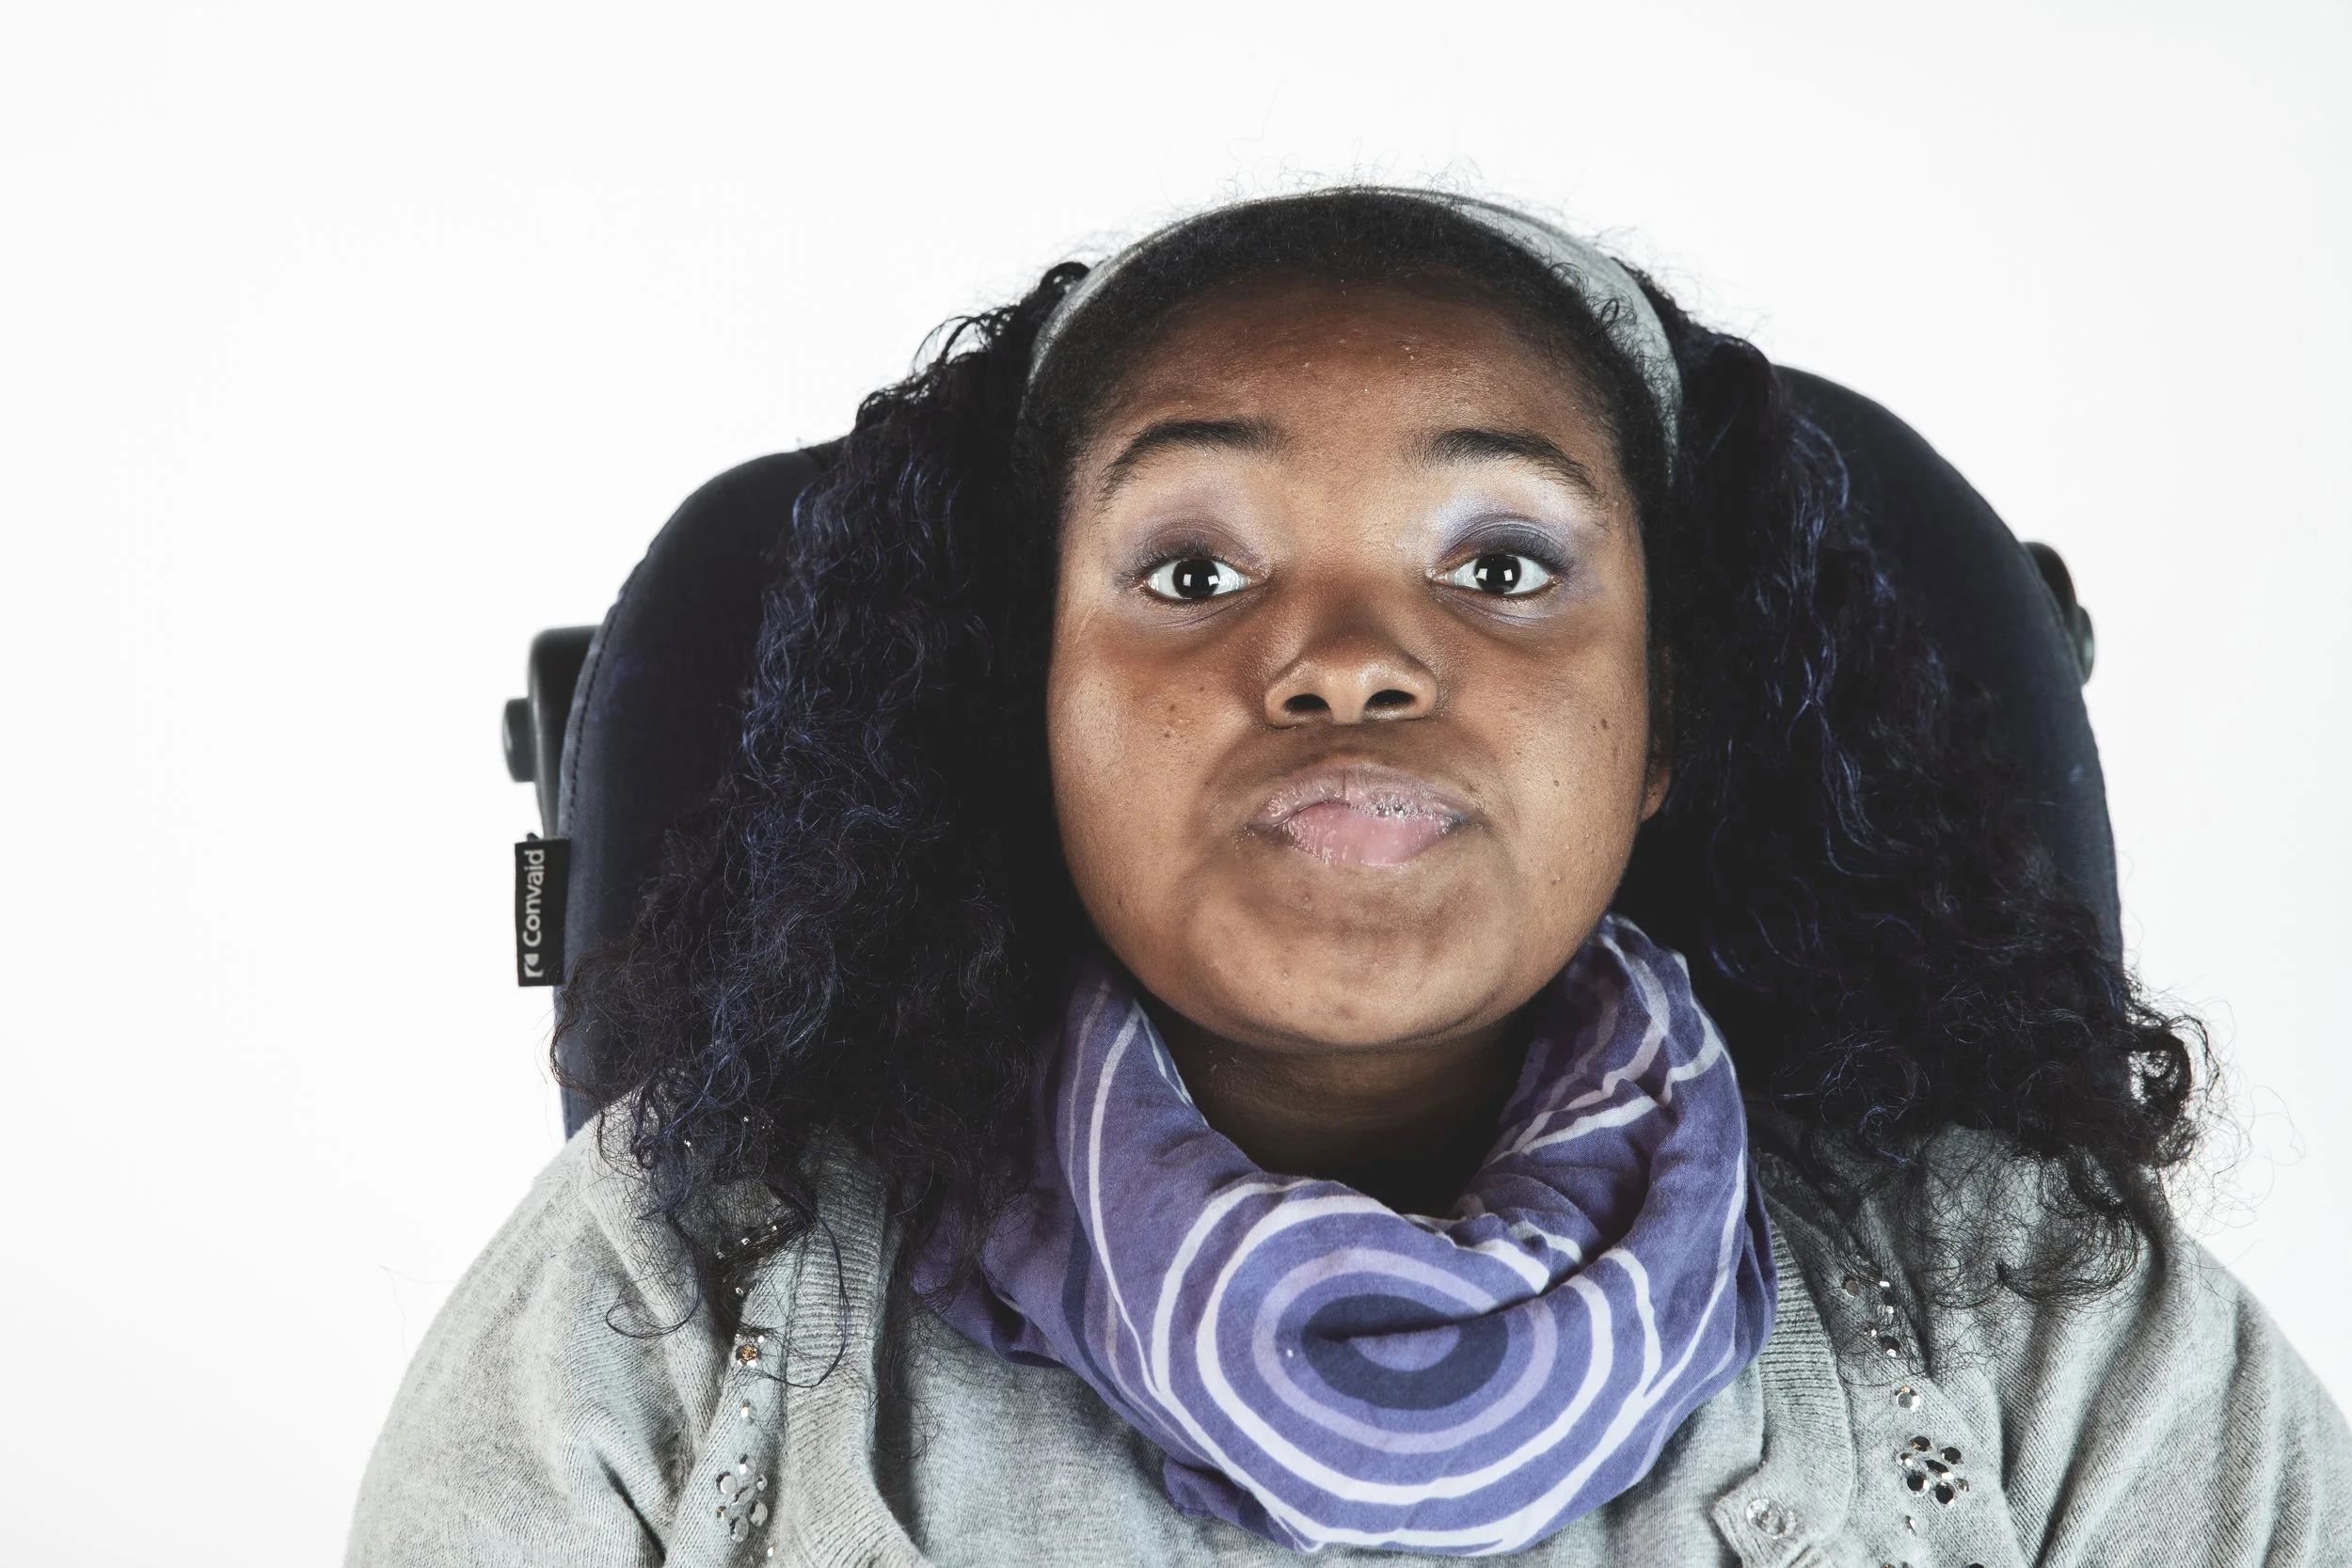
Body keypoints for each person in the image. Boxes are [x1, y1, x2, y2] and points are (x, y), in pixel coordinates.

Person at [347, 189, 2350, 1566]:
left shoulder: (2036, 1321)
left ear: (1659, 728)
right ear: (1026, 711)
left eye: (1498, 565)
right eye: (1192, 570)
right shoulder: (677, 1292)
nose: (1345, 656)